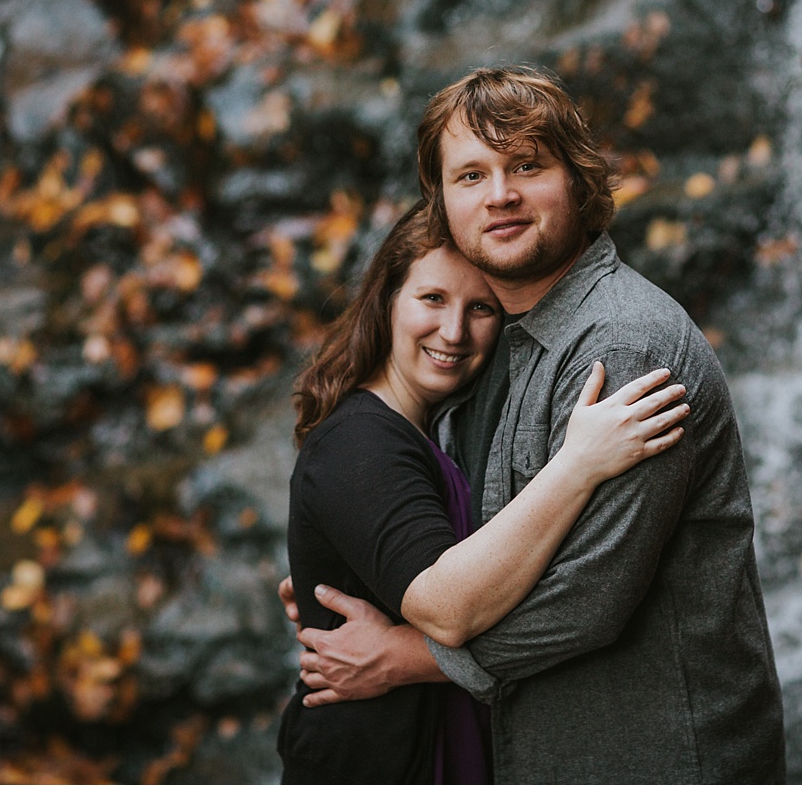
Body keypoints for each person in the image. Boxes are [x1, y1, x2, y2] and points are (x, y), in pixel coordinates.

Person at [283, 66, 787, 782]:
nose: (501, 195)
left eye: (526, 164)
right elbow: (467, 541)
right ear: (443, 204)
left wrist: (403, 655)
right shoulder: (496, 350)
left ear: (578, 180)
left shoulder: (622, 345)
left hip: (652, 757)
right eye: (471, 175)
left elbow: (585, 598)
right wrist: (350, 564)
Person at [277, 202, 690, 783]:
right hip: (378, 757)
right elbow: (447, 611)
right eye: (432, 299)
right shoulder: (361, 442)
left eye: (481, 309)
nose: (454, 331)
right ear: (387, 300)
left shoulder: (432, 428)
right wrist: (579, 464)